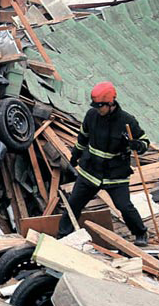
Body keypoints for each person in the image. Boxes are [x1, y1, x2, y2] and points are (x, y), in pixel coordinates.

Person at [58, 81, 150, 244]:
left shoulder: (127, 121)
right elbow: (83, 137)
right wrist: (75, 155)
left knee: (124, 206)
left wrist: (138, 146)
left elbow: (144, 141)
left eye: (100, 106)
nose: (97, 109)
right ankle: (62, 234)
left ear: (110, 103)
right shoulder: (91, 115)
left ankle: (140, 233)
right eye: (96, 106)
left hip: (115, 174)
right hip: (91, 171)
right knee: (74, 203)